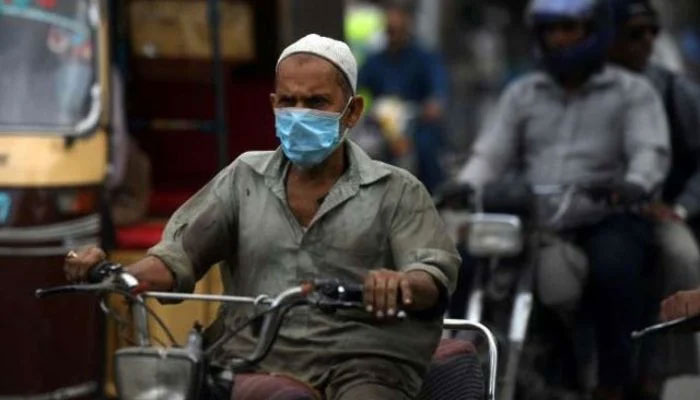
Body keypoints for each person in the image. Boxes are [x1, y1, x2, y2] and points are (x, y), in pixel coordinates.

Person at [64, 34, 460, 400]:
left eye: (317, 103)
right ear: (273, 106)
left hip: (365, 365)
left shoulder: (397, 190)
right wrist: (120, 274)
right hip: (254, 358)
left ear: (352, 111)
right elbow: (178, 255)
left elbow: (432, 274)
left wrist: (402, 283)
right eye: (288, 102)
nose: (299, 113)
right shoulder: (243, 178)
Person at [456, 0, 670, 398]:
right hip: (531, 218)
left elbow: (649, 151)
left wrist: (636, 183)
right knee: (460, 263)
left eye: (568, 27)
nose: (557, 38)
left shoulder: (632, 93)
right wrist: (465, 186)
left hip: (603, 214)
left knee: (616, 270)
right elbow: (490, 154)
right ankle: (450, 372)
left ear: (596, 30)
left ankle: (613, 382)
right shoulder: (522, 93)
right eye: (549, 29)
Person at [608, 1, 700, 396]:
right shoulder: (580, 86)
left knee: (682, 256)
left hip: (658, 211)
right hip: (588, 213)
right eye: (634, 32)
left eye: (652, 32)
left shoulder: (675, 90)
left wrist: (680, 206)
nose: (645, 42)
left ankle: (664, 367)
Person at [357, 0, 449, 193]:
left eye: (398, 29)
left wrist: (434, 104)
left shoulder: (424, 57)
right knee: (362, 150)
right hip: (382, 126)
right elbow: (355, 84)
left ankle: (434, 196)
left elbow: (438, 89)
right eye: (390, 30)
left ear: (407, 26)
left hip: (416, 124)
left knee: (426, 149)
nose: (394, 35)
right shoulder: (375, 60)